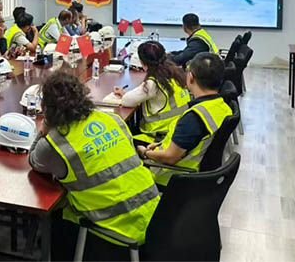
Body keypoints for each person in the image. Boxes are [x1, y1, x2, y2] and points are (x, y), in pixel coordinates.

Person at [29, 71, 159, 261]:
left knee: (57, 212)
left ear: (45, 107)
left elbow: (34, 160)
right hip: (156, 219)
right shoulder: (113, 120)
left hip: (117, 235)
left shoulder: (55, 143)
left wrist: (45, 128)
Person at [136, 53, 233, 187]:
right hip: (194, 171)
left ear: (190, 77)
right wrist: (159, 145)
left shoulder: (194, 118)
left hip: (170, 176)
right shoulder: (222, 107)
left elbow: (170, 157)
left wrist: (146, 153)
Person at [112, 41, 190, 144]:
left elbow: (127, 101)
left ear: (143, 63)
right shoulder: (175, 73)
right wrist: (125, 93)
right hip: (179, 130)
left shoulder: (153, 83)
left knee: (122, 139)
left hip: (159, 136)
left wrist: (124, 95)